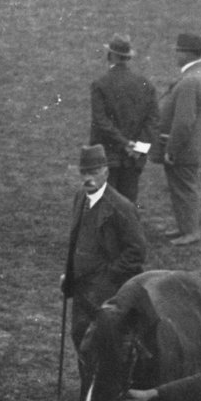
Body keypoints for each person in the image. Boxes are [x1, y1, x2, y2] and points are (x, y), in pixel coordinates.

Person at [61, 143, 149, 352]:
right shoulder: (80, 197)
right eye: (83, 172)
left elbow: (137, 251)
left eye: (93, 172)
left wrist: (108, 276)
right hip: (82, 288)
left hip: (107, 292)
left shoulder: (121, 207)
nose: (87, 178)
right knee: (79, 338)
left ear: (106, 172)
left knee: (102, 346)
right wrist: (70, 274)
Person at [155, 31, 201, 246]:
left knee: (183, 189)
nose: (176, 54)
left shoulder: (190, 80)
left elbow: (183, 121)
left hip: (184, 146)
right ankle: (184, 227)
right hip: (195, 144)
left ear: (187, 54)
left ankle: (190, 231)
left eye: (178, 51)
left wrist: (171, 149)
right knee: (183, 187)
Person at [89, 34, 157, 202]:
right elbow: (153, 121)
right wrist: (138, 149)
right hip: (133, 159)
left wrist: (124, 143)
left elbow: (100, 121)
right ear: (128, 57)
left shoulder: (100, 84)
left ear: (110, 55)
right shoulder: (146, 84)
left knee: (105, 203)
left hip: (107, 155)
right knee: (128, 204)